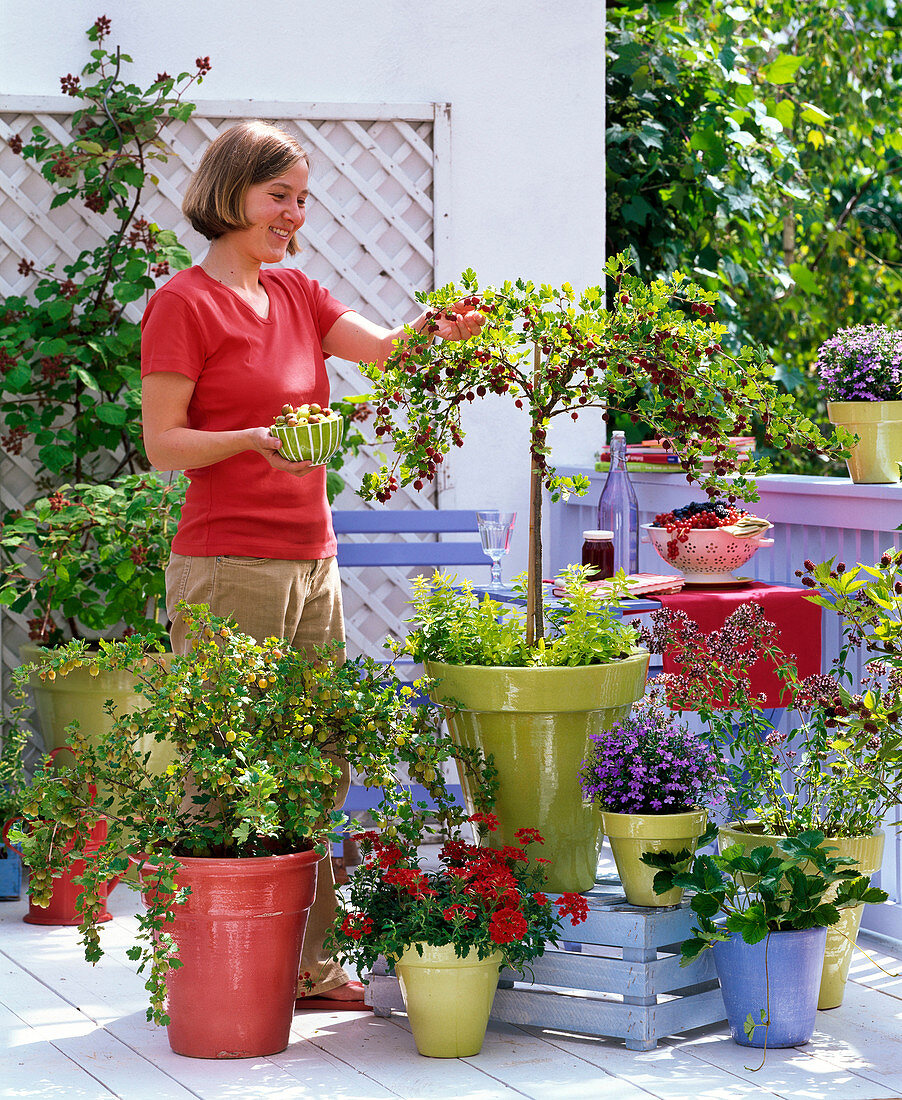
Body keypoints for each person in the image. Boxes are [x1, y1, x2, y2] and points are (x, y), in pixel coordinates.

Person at [140, 119, 483, 1007]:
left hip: (310, 560)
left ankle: (306, 960)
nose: (293, 213)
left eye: (301, 197)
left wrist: (437, 330)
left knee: (315, 757)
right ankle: (218, 962)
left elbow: (387, 350)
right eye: (277, 195)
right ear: (228, 194)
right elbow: (163, 446)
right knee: (231, 762)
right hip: (226, 563)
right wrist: (258, 438)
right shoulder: (185, 303)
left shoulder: (298, 292)